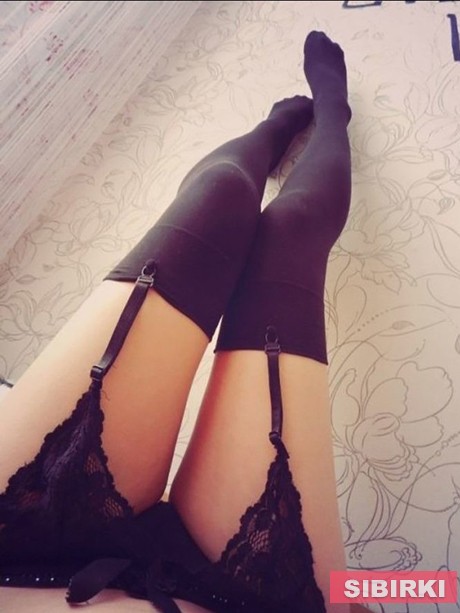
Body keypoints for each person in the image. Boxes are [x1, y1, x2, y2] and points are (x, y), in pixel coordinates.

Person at [0, 31, 353, 612]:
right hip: (249, 599)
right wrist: (393, 592)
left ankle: (274, 130)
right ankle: (334, 113)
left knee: (220, 193)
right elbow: (406, 592)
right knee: (290, 230)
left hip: (16, 538)